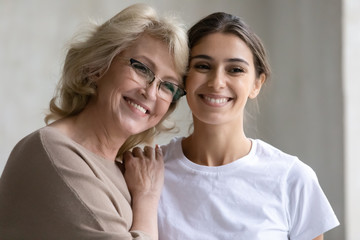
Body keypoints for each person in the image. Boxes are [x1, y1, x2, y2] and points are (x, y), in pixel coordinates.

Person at [0, 3, 188, 240]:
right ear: (97, 66)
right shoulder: (52, 152)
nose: (151, 93)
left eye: (168, 86)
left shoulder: (125, 171)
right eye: (141, 68)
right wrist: (147, 199)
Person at [156, 12, 340, 240]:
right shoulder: (149, 170)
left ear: (256, 84)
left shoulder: (292, 178)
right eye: (203, 66)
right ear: (184, 77)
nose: (216, 82)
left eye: (235, 70)